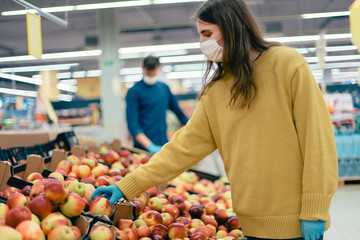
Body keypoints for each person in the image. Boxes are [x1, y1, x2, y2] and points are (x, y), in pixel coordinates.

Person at [92, 0, 338, 239]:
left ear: (231, 26)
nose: (202, 43)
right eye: (200, 35)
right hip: (249, 224)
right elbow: (180, 150)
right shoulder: (215, 92)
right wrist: (127, 185)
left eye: (207, 33)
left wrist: (315, 210)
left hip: (295, 221)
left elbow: (318, 142)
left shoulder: (287, 65)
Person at [125, 56, 189, 153]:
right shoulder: (134, 92)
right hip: (142, 148)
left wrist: (191, 125)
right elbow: (133, 126)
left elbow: (177, 111)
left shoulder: (164, 88)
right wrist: (150, 146)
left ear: (158, 68)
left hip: (162, 142)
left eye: (153, 73)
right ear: (142, 68)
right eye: (148, 73)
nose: (150, 76)